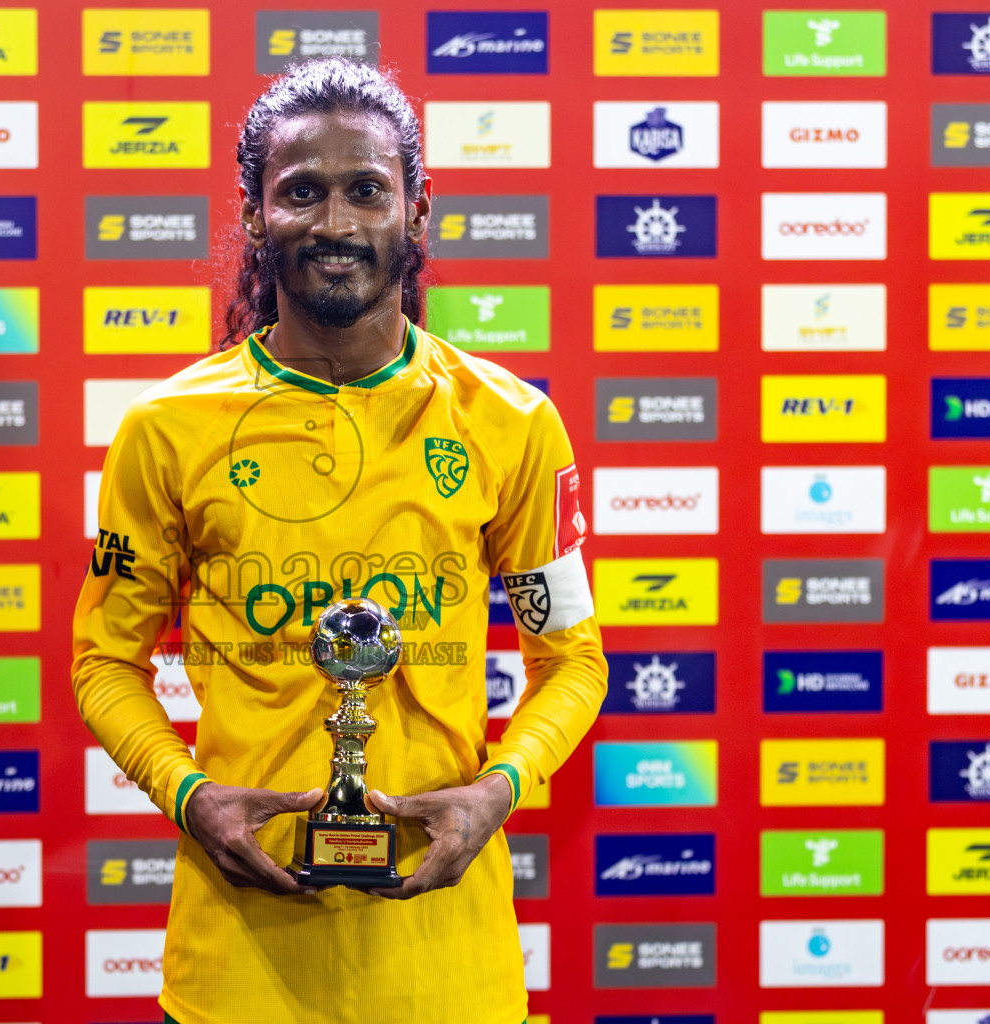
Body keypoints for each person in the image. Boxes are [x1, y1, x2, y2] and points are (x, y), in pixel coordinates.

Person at [72, 57, 608, 1024]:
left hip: (451, 975)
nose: (334, 224)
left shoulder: (512, 422)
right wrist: (189, 795)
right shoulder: (165, 428)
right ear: (252, 213)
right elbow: (105, 662)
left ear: (418, 206)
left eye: (366, 190)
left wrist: (498, 789)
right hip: (235, 971)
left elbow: (570, 661)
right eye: (300, 193)